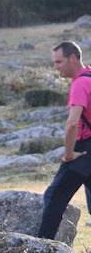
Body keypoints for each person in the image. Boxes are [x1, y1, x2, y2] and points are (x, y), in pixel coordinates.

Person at [36, 41, 91, 239]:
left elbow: (72, 124)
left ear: (73, 59)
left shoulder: (80, 84)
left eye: (59, 62)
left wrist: (69, 154)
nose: (55, 67)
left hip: (84, 150)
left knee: (54, 197)